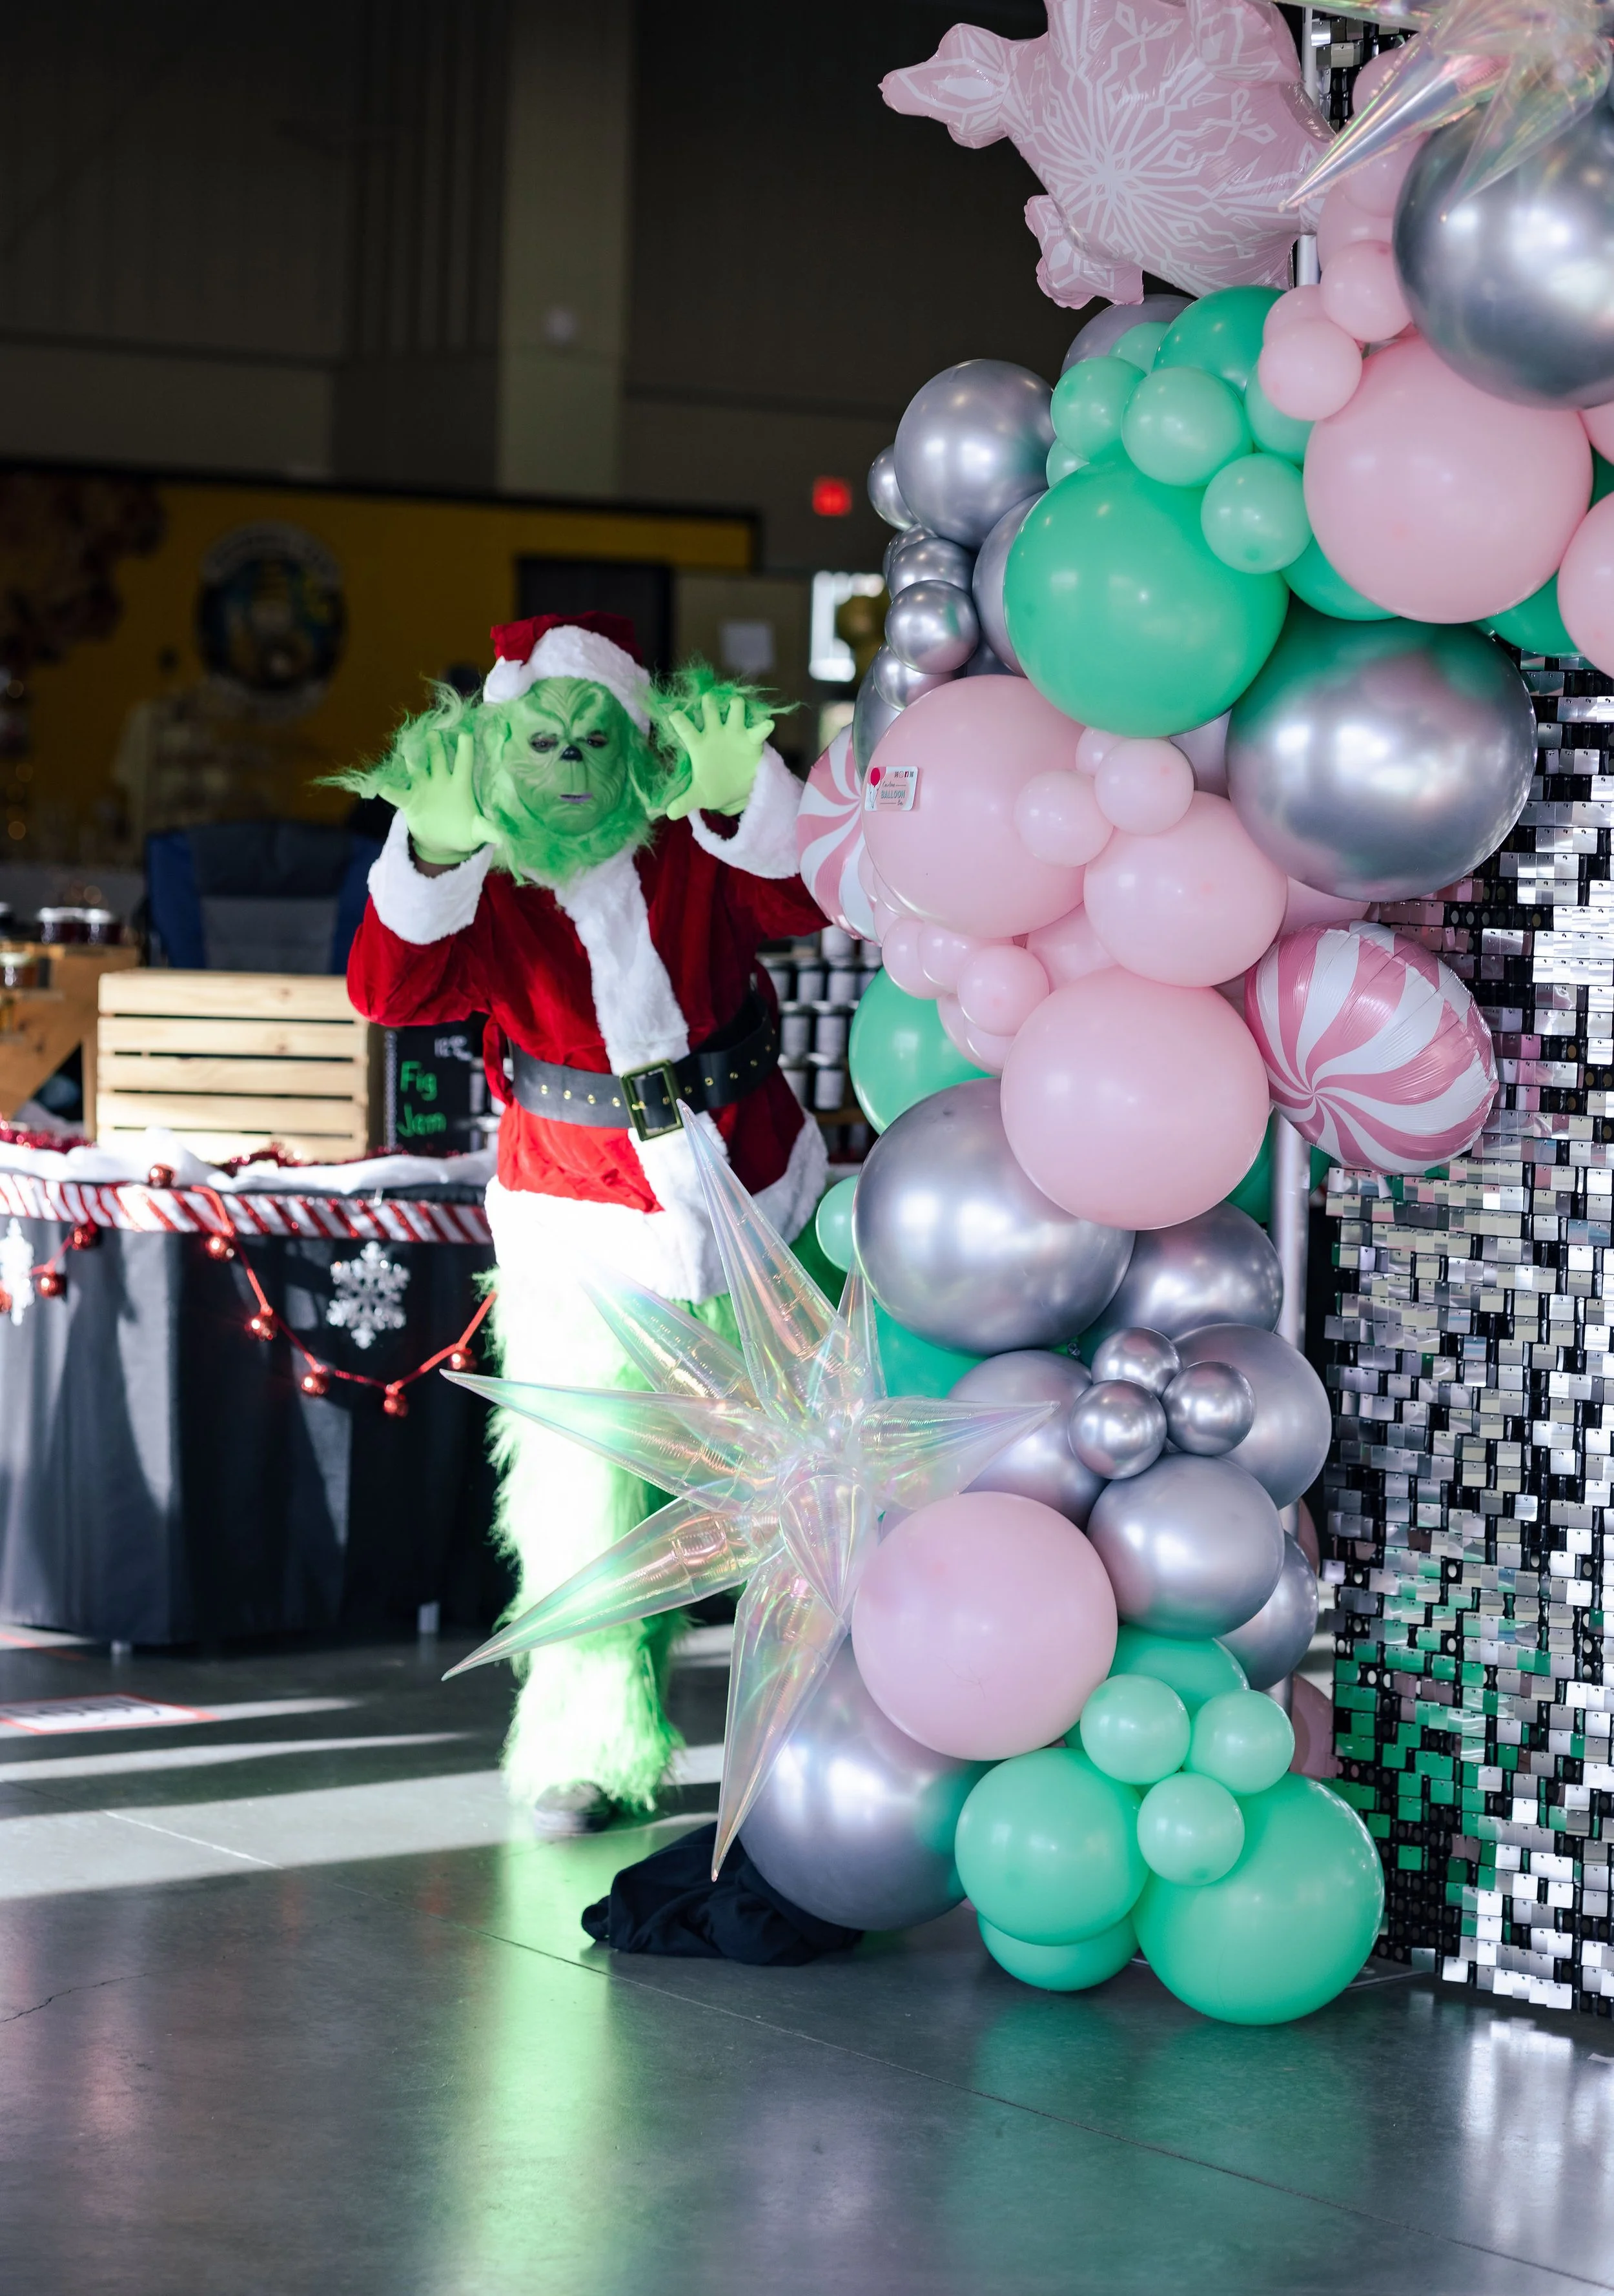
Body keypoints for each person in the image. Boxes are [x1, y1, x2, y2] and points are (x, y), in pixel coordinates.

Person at [343, 613, 826, 1834]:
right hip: (574, 1210)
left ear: (638, 746)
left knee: (816, 1472)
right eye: (543, 739)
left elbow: (806, 901)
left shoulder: (686, 843)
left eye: (593, 738)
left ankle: (836, 1725)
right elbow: (388, 992)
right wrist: (434, 851)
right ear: (505, 745)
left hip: (760, 1185)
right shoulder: (493, 869)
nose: (567, 761)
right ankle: (592, 1743)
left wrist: (749, 800)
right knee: (582, 1489)